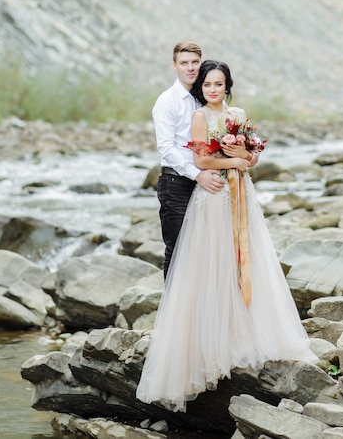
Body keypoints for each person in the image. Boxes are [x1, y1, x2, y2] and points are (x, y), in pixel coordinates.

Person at [136, 60, 317, 413]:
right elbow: (202, 162)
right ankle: (210, 342)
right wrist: (232, 163)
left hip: (242, 193)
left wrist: (244, 157)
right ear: (201, 88)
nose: (213, 90)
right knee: (214, 260)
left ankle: (247, 330)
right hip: (215, 196)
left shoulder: (239, 113)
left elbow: (251, 158)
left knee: (247, 255)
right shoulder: (200, 117)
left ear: (227, 86)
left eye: (218, 84)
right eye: (207, 85)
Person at [152, 41, 225, 278]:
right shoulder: (167, 101)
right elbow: (166, 148)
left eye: (195, 62)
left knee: (205, 250)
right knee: (178, 251)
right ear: (174, 66)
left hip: (205, 184)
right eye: (184, 63)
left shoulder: (206, 96)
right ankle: (174, 315)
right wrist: (198, 174)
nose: (190, 68)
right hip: (176, 185)